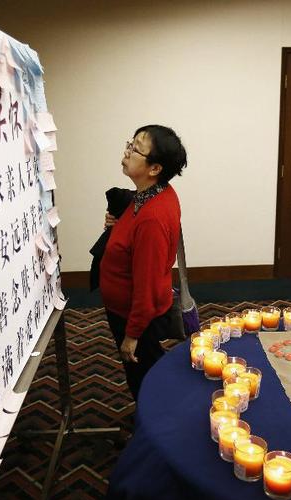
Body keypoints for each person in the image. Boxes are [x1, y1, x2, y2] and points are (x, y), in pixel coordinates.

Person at [100, 125, 187, 400]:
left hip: (137, 316)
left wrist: (132, 334)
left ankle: (154, 436)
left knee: (146, 383)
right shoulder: (156, 193)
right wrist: (116, 225)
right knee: (150, 375)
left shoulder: (152, 217)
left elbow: (147, 283)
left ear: (154, 168)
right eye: (130, 143)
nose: (127, 151)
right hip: (132, 309)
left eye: (136, 148)